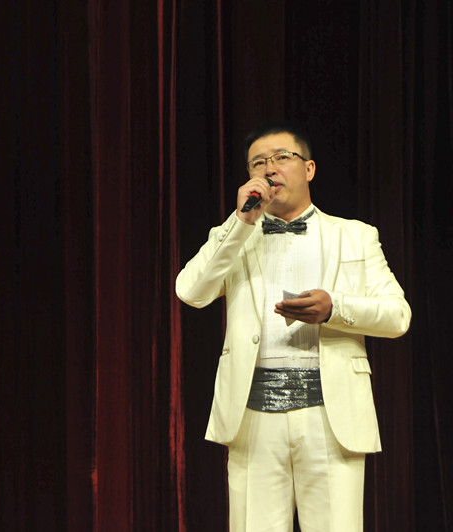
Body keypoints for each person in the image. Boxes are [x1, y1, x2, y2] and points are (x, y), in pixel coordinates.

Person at [175, 121, 411, 531]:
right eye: (258, 163)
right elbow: (190, 291)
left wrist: (334, 308)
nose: (270, 168)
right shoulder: (233, 235)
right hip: (253, 416)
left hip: (331, 414)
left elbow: (397, 315)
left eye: (282, 157)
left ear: (309, 168)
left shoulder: (355, 236)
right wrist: (241, 222)